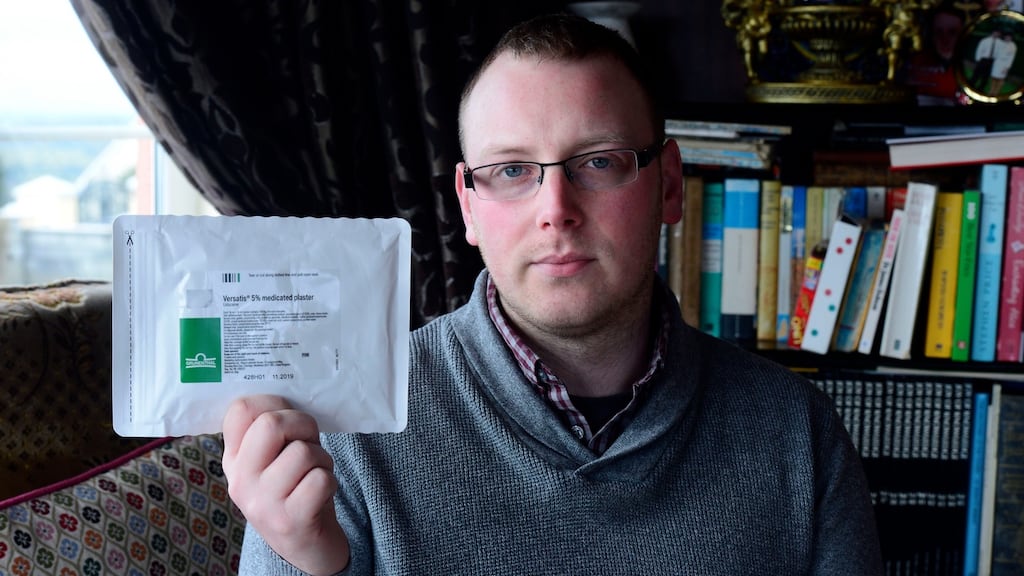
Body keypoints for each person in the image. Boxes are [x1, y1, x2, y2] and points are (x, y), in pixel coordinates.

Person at [222, 12, 884, 575]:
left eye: (598, 161)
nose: (556, 209)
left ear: (671, 186)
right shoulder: (346, 424)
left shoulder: (801, 434)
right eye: (512, 170)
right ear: (469, 208)